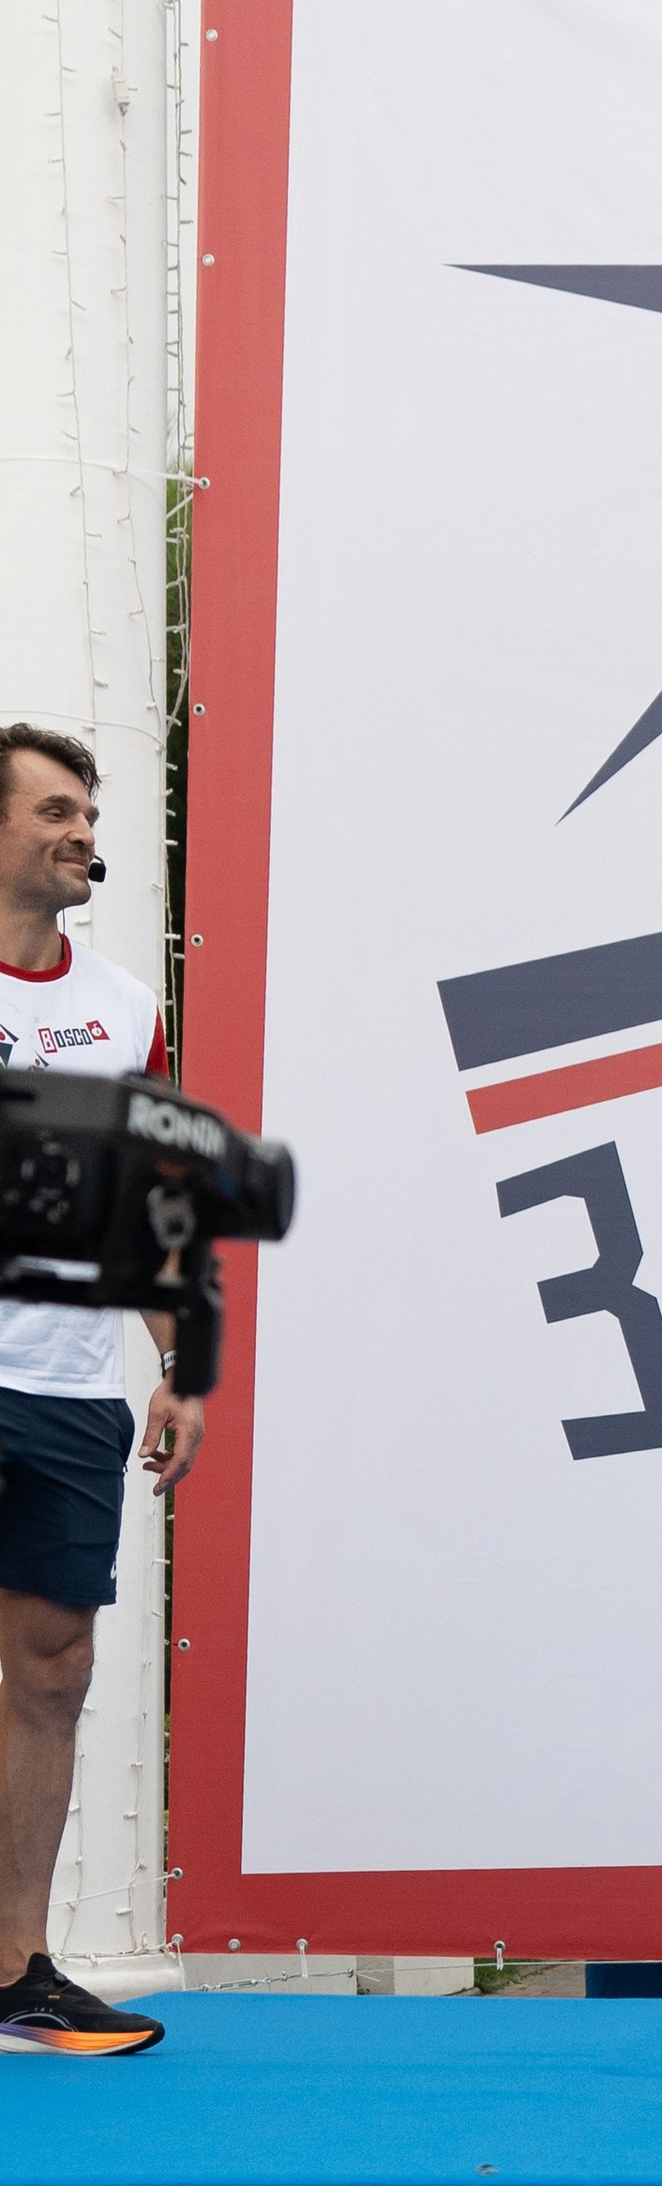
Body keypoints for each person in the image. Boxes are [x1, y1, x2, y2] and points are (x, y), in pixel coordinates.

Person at [0, 724, 203, 2057]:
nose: (83, 833)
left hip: (71, 1390)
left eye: (88, 812)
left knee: (52, 1670)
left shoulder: (126, 1005)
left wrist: (178, 1361)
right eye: (56, 811)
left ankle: (14, 1972)